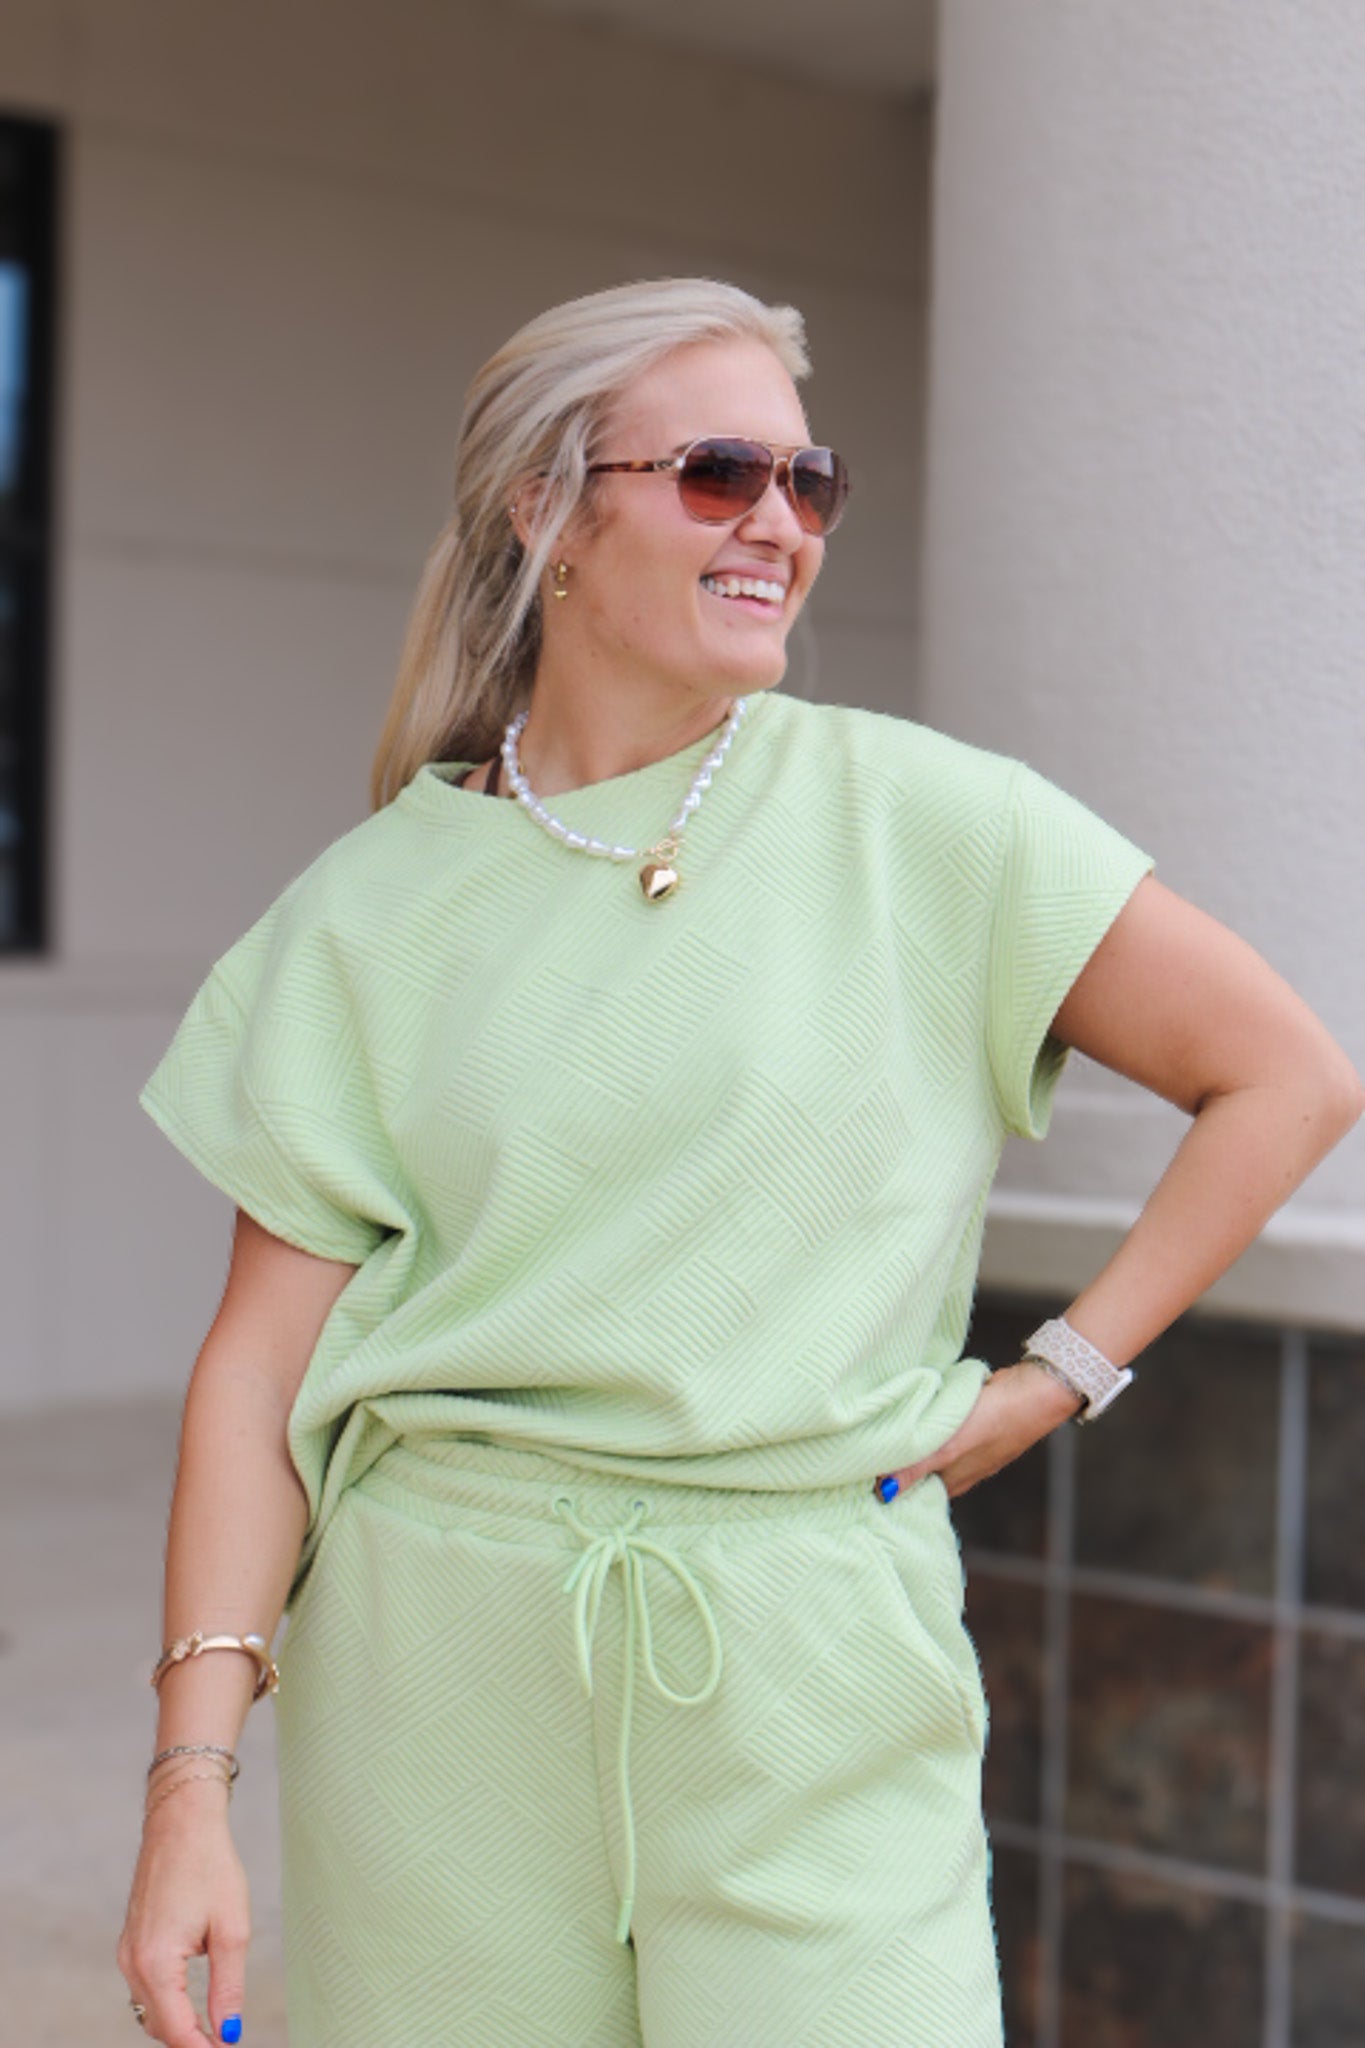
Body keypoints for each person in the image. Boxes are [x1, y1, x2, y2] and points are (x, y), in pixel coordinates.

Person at [116, 276, 1363, 2048]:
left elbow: (1285, 1077)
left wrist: (1063, 1373)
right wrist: (190, 1791)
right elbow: (258, 1374)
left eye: (808, 481)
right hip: (436, 1677)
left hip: (811, 1656)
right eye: (717, 473)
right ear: (547, 510)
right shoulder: (365, 912)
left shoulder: (927, 823)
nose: (778, 522)